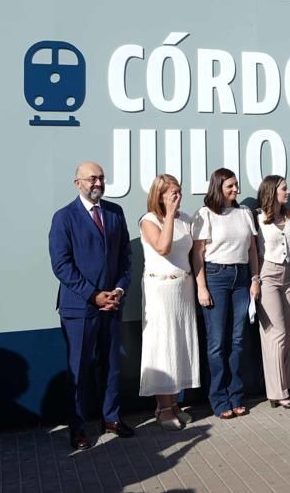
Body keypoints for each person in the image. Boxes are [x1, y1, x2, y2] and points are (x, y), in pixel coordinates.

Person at [47, 163, 130, 452]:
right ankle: (79, 427)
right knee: (79, 370)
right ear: (77, 182)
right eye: (92, 178)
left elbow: (124, 258)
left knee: (111, 367)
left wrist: (118, 289)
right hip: (79, 308)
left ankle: (111, 418)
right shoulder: (64, 218)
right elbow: (61, 265)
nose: (98, 182)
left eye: (101, 178)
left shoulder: (115, 213)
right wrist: (93, 295)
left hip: (112, 305)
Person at [138, 174, 203, 429]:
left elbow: (195, 253)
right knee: (162, 344)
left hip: (183, 288)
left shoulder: (185, 219)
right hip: (160, 290)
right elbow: (163, 247)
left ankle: (175, 403)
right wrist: (169, 213)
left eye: (179, 191)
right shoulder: (149, 220)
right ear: (159, 195)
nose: (177, 196)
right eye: (171, 192)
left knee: (179, 345)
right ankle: (163, 408)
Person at [194, 169, 260, 419]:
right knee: (216, 343)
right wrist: (202, 287)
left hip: (241, 278)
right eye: (230, 186)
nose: (236, 190)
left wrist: (255, 278)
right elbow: (197, 254)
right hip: (216, 277)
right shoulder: (205, 214)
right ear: (218, 187)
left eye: (237, 185)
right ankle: (219, 399)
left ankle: (236, 395)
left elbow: (252, 250)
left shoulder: (244, 213)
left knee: (238, 340)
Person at [254, 176, 290, 409]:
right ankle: (277, 392)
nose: (288, 192)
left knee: (288, 334)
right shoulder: (258, 218)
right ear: (272, 191)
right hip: (268, 275)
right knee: (276, 334)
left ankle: (283, 386)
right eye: (284, 188)